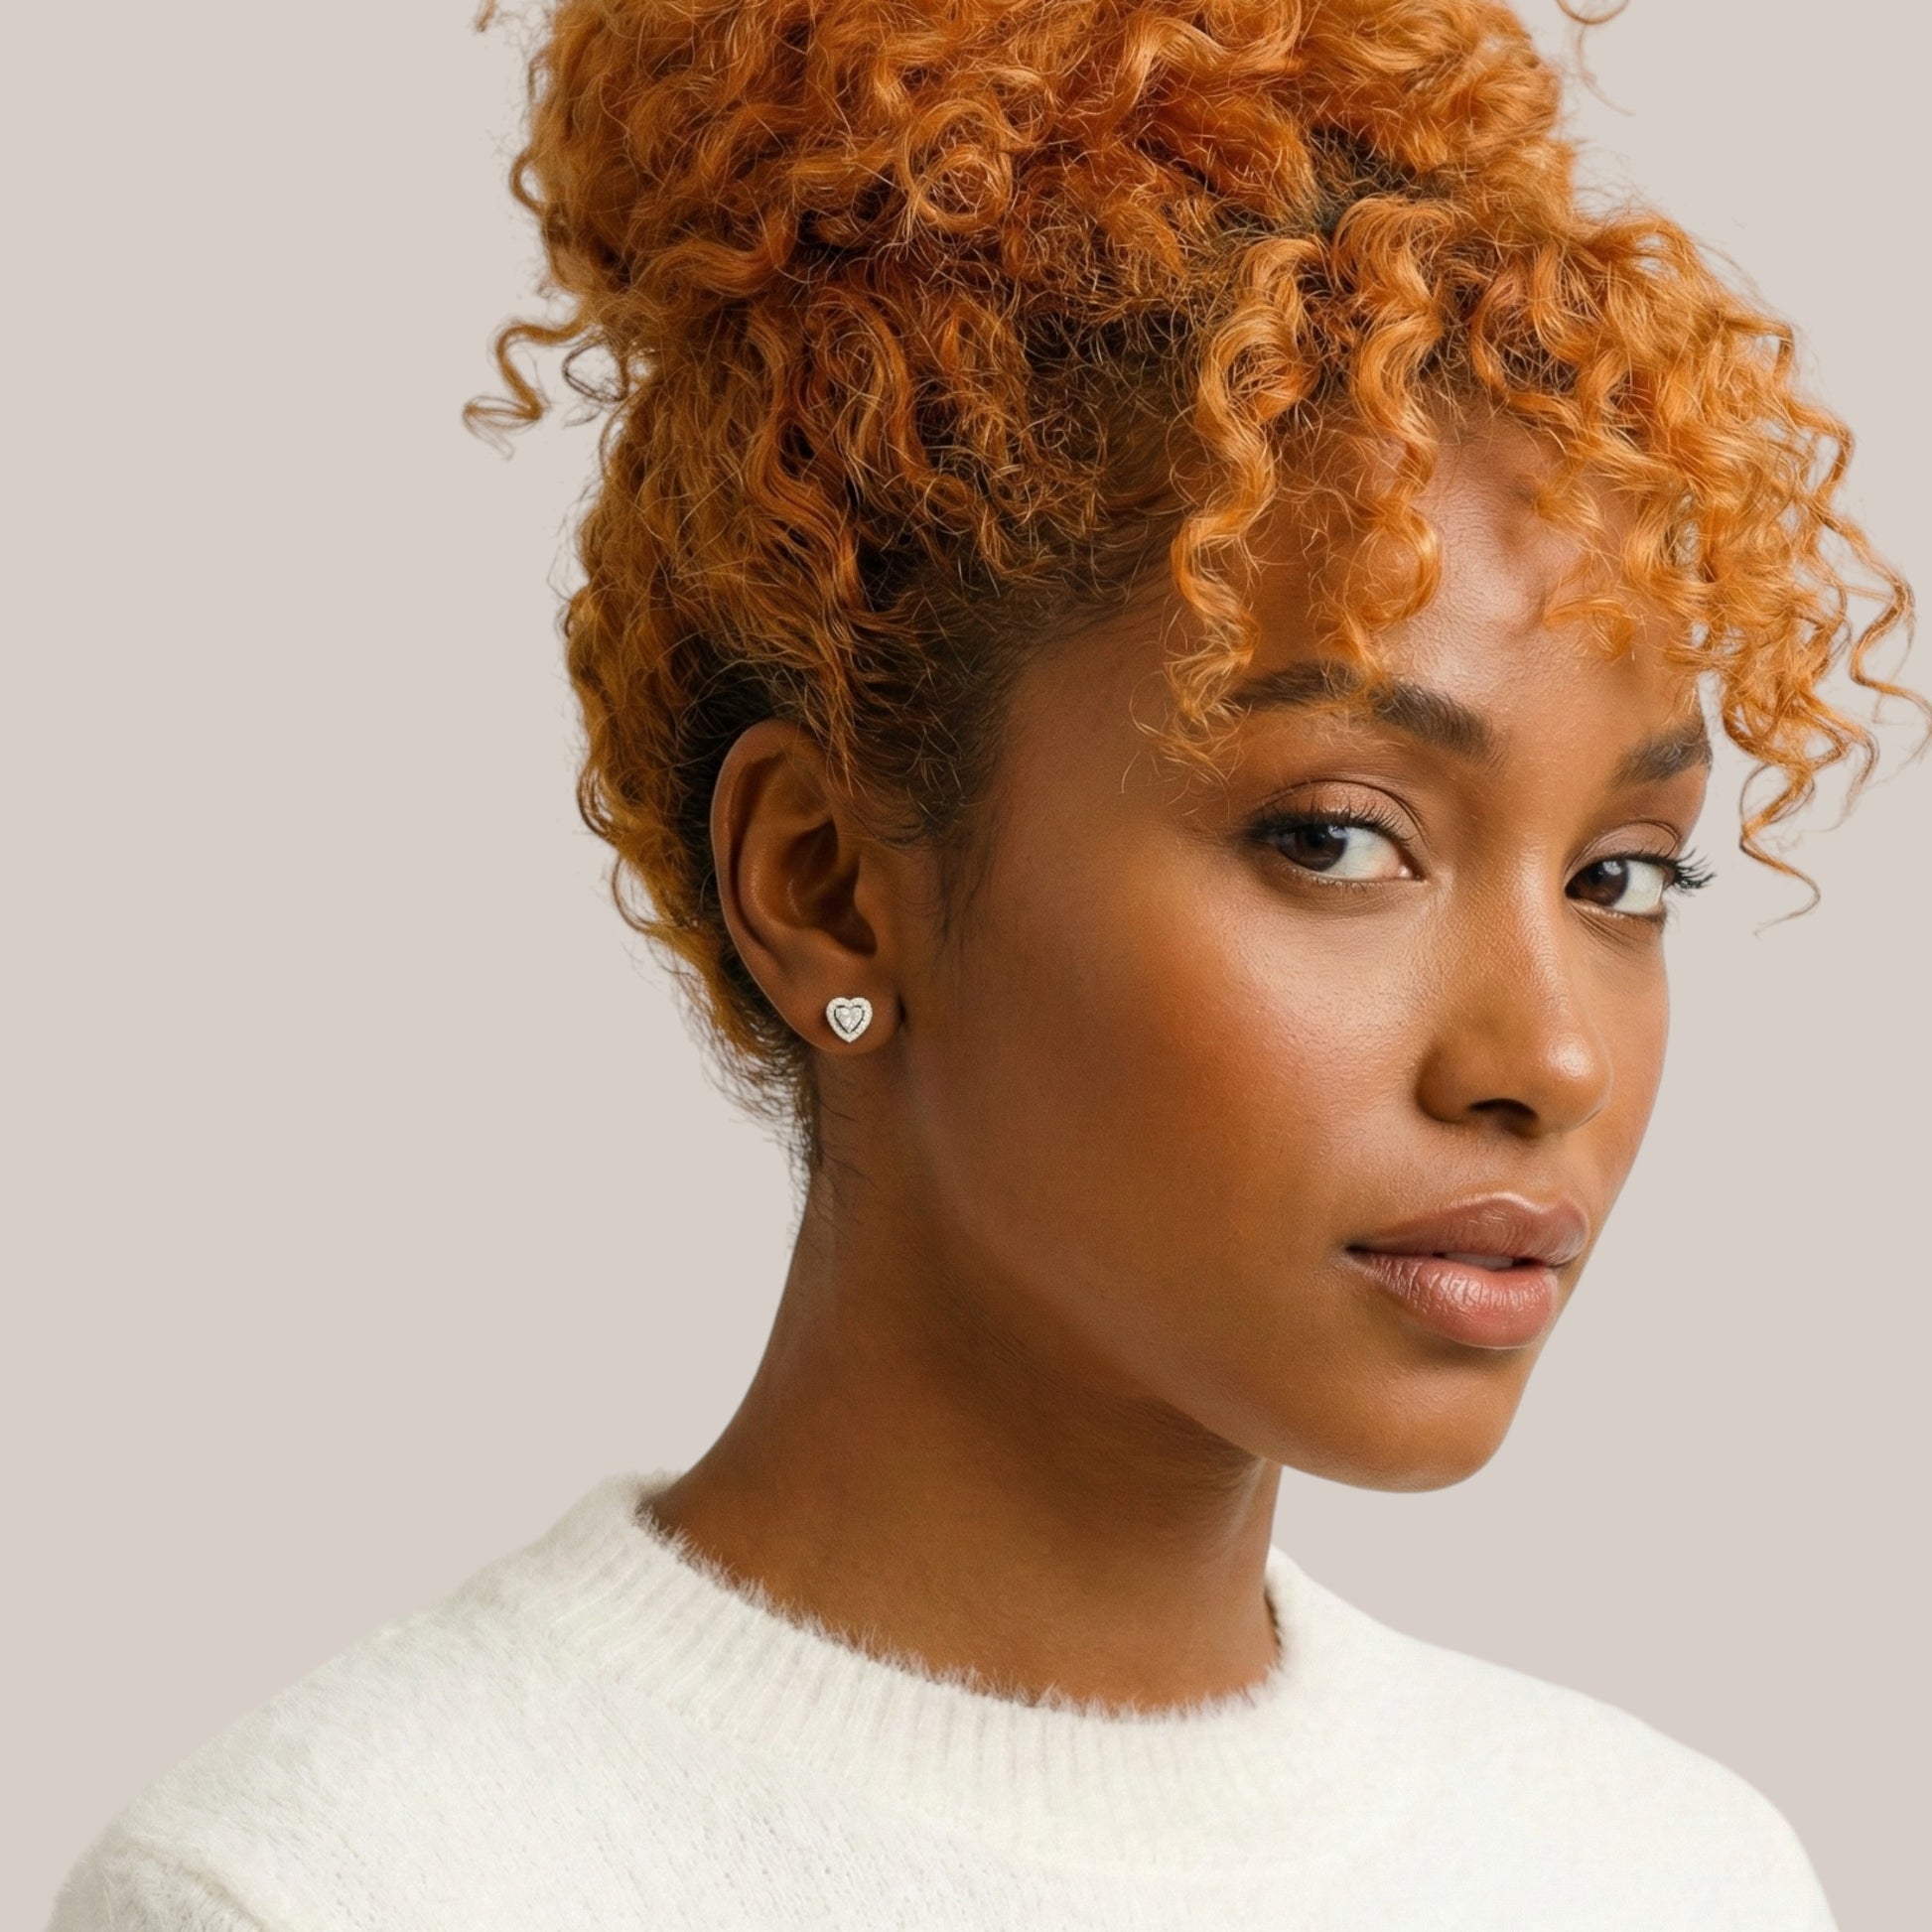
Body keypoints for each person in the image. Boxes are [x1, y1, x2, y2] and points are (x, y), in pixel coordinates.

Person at [47, 0, 1926, 1926]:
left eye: (1623, 875)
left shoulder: (1665, 1875)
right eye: (1335, 838)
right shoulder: (331, 1889)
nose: (1549, 1054)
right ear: (829, 884)